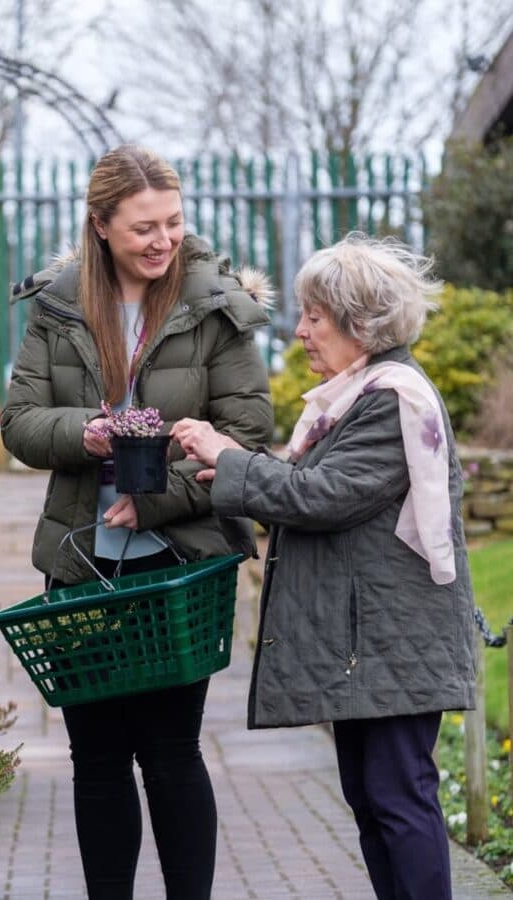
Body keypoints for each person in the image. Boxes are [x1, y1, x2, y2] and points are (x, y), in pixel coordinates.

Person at [0, 144, 274, 900]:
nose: (162, 242)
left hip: (178, 563)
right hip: (81, 563)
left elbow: (247, 437)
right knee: (95, 756)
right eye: (143, 228)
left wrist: (156, 496)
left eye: (174, 224)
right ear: (100, 226)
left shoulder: (216, 308)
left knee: (172, 752)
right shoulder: (58, 307)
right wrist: (82, 434)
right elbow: (18, 423)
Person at [172, 234, 476, 900]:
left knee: (398, 799)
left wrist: (228, 456)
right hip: (371, 643)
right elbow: (306, 486)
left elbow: (321, 496)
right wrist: (223, 471)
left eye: (316, 316)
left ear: (360, 322)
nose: (302, 331)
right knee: (373, 801)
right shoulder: (354, 397)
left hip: (394, 641)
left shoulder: (393, 398)